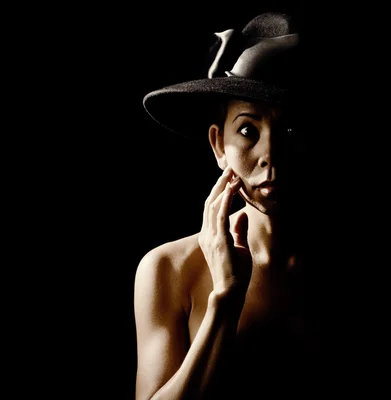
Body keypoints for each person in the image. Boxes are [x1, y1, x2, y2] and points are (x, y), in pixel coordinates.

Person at [134, 11, 320, 399]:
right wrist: (224, 300)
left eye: (288, 130)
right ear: (219, 144)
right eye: (248, 131)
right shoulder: (168, 269)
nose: (270, 154)